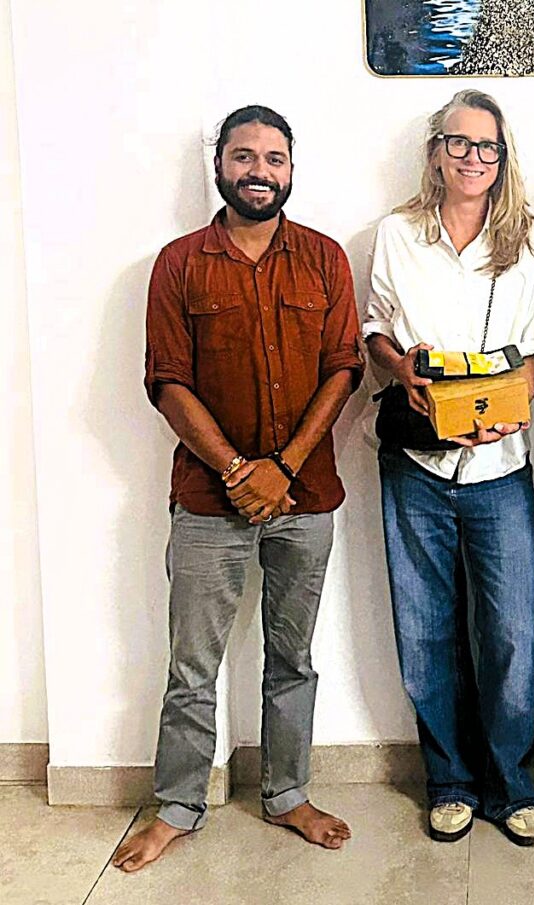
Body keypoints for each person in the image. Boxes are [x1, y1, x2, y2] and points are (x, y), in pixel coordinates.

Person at [113, 105, 363, 872]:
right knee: (193, 665)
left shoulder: (324, 258)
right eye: (245, 156)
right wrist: (236, 470)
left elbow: (344, 368)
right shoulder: (179, 263)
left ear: (291, 169)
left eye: (274, 158)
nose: (260, 170)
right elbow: (167, 380)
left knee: (293, 658)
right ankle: (177, 805)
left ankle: (288, 794)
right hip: (205, 500)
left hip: (305, 497)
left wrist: (281, 468)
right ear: (219, 164)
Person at [363, 89, 534, 845]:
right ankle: (449, 781)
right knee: (425, 632)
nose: (473, 158)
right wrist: (398, 368)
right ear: (436, 151)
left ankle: (511, 784)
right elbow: (375, 328)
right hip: (416, 463)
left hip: (501, 467)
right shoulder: (397, 233)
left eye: (488, 147)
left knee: (509, 635)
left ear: (503, 159)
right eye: (459, 143)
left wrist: (515, 399)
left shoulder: (533, 241)